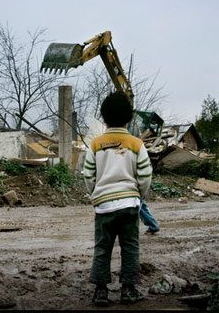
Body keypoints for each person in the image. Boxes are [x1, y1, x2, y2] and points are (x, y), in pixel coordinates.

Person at [84, 91, 153, 307]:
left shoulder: (95, 144)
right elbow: (145, 175)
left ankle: (101, 292)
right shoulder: (136, 143)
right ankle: (128, 290)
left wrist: (96, 194)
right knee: (130, 247)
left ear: (104, 118)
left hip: (104, 206)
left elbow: (88, 175)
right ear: (128, 117)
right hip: (129, 204)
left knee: (102, 248)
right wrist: (139, 195)